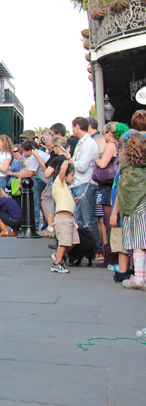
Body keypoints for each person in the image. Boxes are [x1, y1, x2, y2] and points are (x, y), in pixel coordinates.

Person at [111, 130, 146, 290]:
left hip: (135, 210)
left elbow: (122, 191)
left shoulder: (126, 168)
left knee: (138, 243)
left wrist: (118, 210)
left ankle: (139, 278)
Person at [70, 116, 103, 255]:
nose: (72, 130)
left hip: (86, 183)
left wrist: (70, 161)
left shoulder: (88, 143)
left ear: (78, 126)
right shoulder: (80, 143)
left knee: (88, 219)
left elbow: (82, 166)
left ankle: (96, 250)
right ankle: (86, 251)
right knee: (82, 220)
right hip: (79, 183)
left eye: (73, 127)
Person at [96, 122, 126, 268]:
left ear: (109, 133)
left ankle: (112, 257)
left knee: (109, 223)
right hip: (116, 184)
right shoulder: (122, 145)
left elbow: (102, 164)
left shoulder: (111, 145)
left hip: (109, 185)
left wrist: (96, 159)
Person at [50, 161, 79, 273]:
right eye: (72, 175)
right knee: (64, 242)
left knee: (73, 242)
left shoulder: (66, 188)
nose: (74, 177)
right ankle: (57, 263)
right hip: (63, 218)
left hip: (69, 218)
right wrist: (67, 160)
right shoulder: (59, 183)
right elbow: (63, 170)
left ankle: (58, 255)